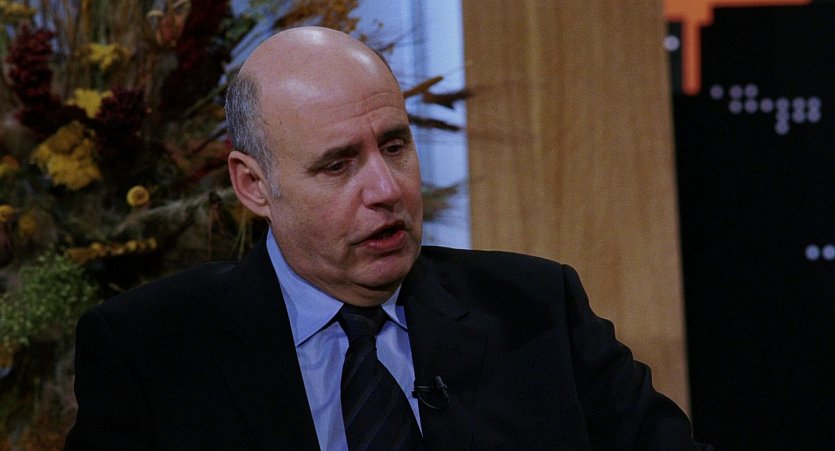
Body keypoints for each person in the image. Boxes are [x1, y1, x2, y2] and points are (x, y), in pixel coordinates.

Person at [65, 26, 710, 450]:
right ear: (254, 185)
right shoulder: (149, 351)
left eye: (396, 146)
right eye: (338, 164)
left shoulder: (538, 308)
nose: (386, 188)